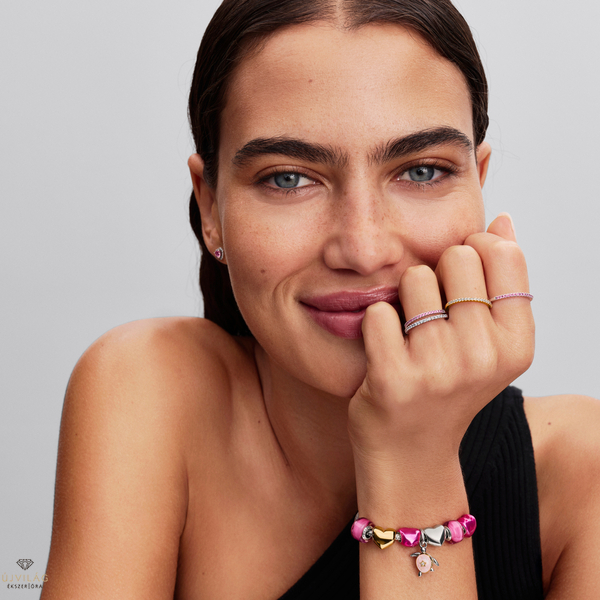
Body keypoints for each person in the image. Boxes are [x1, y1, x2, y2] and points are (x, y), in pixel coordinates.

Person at [41, 0, 600, 598]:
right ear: (211, 207)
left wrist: (414, 461)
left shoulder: (584, 473)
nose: (363, 248)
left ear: (478, 182)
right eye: (288, 178)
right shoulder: (147, 388)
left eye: (422, 172)